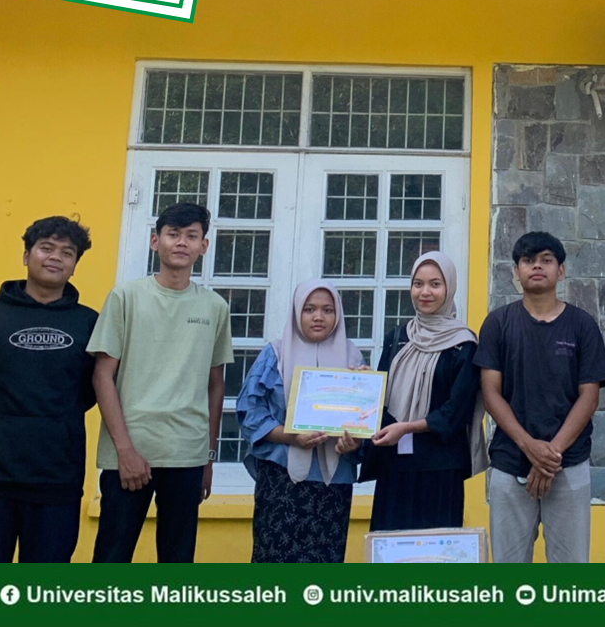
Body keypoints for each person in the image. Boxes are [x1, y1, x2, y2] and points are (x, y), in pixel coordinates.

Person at [88, 202, 233, 563]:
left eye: (192, 236)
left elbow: (216, 384)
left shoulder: (215, 307)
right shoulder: (125, 297)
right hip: (129, 453)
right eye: (173, 234)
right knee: (111, 558)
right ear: (156, 241)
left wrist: (208, 458)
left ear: (204, 246)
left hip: (187, 454)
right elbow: (102, 375)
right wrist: (125, 451)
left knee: (177, 560)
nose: (182, 242)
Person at [0, 216, 98, 563]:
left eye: (67, 252)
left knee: (42, 591)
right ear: (27, 255)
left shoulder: (89, 323)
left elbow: (90, 392)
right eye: (46, 248)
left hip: (56, 481)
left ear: (75, 265)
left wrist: (53, 427)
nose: (56, 257)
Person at [476, 231, 605, 563]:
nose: (537, 266)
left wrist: (550, 455)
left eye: (546, 260)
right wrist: (530, 447)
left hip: (569, 464)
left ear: (560, 271)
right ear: (516, 271)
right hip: (510, 463)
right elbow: (491, 394)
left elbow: (589, 397)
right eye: (528, 261)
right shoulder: (497, 324)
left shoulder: (582, 325)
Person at [236, 279, 368, 562]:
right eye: (309, 309)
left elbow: (364, 418)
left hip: (333, 483)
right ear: (297, 312)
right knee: (275, 560)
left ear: (338, 314)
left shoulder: (353, 359)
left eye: (327, 310)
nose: (318, 317)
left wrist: (354, 442)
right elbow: (250, 411)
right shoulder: (276, 354)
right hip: (282, 478)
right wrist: (290, 436)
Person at [360, 251, 485, 531]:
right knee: (389, 548)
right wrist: (366, 384)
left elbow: (457, 412)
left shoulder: (463, 345)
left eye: (435, 284)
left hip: (440, 468)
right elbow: (382, 397)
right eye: (418, 284)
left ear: (449, 288)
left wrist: (407, 428)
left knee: (434, 550)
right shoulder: (397, 338)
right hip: (394, 465)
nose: (425, 292)